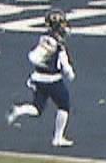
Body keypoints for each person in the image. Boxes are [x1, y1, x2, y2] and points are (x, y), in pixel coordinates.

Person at [7, 10, 76, 147]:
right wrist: (69, 73)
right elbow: (64, 63)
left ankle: (19, 110)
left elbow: (34, 56)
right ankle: (58, 137)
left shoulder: (43, 39)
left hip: (38, 78)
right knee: (64, 106)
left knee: (37, 108)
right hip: (53, 79)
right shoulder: (58, 43)